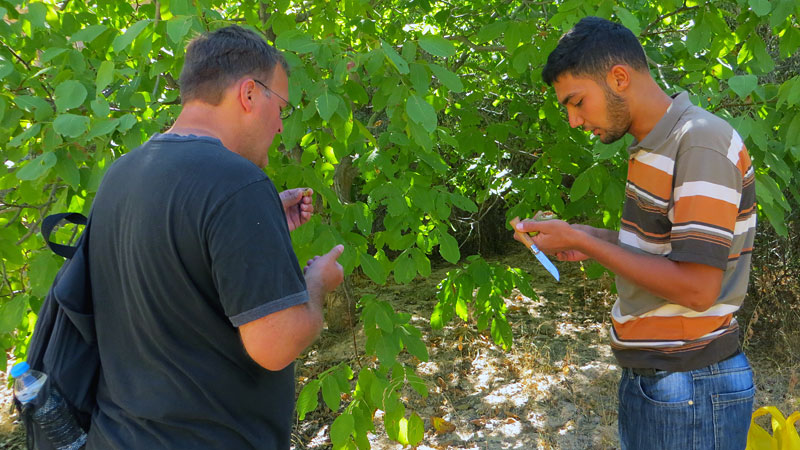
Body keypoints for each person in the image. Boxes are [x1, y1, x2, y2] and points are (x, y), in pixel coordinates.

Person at [85, 25, 344, 449]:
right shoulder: (238, 183)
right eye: (280, 106)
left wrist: (261, 222)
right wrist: (316, 285)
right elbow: (275, 345)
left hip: (116, 436)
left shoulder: (124, 172)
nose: (281, 126)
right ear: (248, 94)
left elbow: (176, 269)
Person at [514, 17, 757, 449]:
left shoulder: (698, 143)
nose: (573, 120)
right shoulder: (653, 145)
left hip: (690, 387)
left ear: (619, 78)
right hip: (666, 382)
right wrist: (584, 236)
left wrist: (584, 242)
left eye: (577, 102)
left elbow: (699, 289)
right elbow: (666, 251)